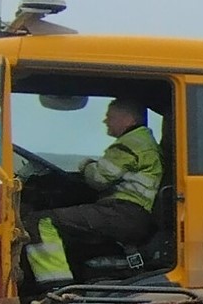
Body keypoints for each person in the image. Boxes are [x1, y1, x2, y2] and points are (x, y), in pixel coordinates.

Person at [22, 98, 163, 287]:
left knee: (41, 221)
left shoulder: (130, 143)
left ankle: (55, 287)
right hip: (132, 215)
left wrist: (86, 164)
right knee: (70, 236)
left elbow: (98, 178)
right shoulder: (144, 142)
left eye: (110, 116)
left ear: (129, 119)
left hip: (122, 212)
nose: (105, 121)